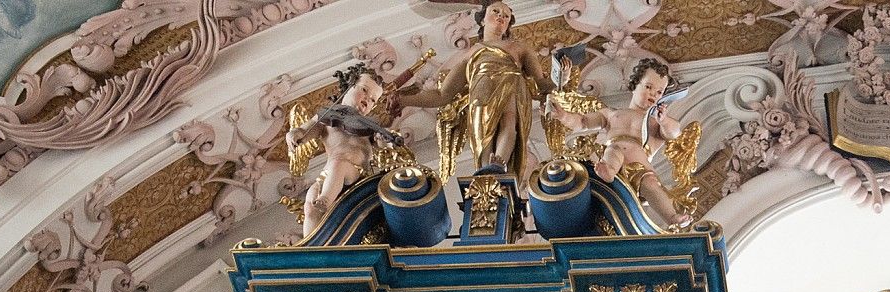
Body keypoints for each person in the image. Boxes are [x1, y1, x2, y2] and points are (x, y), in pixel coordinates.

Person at [399, 0, 544, 182]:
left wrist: (562, 77)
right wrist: (402, 101)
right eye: (496, 11)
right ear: (482, 20)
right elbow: (442, 95)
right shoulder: (469, 53)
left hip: (511, 84)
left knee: (510, 123)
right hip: (481, 95)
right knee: (484, 137)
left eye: (506, 16)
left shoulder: (519, 47)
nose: (501, 16)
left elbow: (541, 82)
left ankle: (499, 164)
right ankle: (485, 175)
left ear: (508, 25)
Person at [560, 57, 695, 225]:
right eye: (648, 87)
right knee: (613, 151)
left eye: (660, 92)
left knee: (651, 183)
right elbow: (582, 122)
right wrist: (564, 116)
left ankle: (672, 217)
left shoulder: (655, 123)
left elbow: (674, 132)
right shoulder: (612, 114)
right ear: (634, 85)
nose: (654, 94)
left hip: (640, 164)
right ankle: (608, 171)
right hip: (614, 151)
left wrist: (664, 120)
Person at [292, 63, 405, 237]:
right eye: (365, 90)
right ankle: (310, 245)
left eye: (374, 100)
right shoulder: (328, 115)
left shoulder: (370, 125)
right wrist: (295, 135)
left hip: (355, 172)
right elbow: (306, 130)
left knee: (339, 164)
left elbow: (381, 143)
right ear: (350, 85)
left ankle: (326, 200)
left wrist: (386, 140)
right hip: (328, 173)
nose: (368, 99)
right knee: (310, 202)